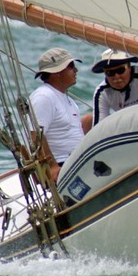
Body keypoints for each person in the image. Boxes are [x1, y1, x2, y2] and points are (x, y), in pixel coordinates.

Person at [28, 47, 86, 181]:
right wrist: (52, 166)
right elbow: (35, 135)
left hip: (77, 162)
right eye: (71, 66)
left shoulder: (66, 98)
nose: (76, 70)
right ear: (56, 73)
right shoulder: (44, 97)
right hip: (62, 166)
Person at [87, 48, 138, 128]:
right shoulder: (102, 92)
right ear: (105, 74)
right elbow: (99, 127)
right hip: (127, 128)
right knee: (87, 120)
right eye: (110, 73)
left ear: (129, 67)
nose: (116, 76)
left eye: (120, 70)